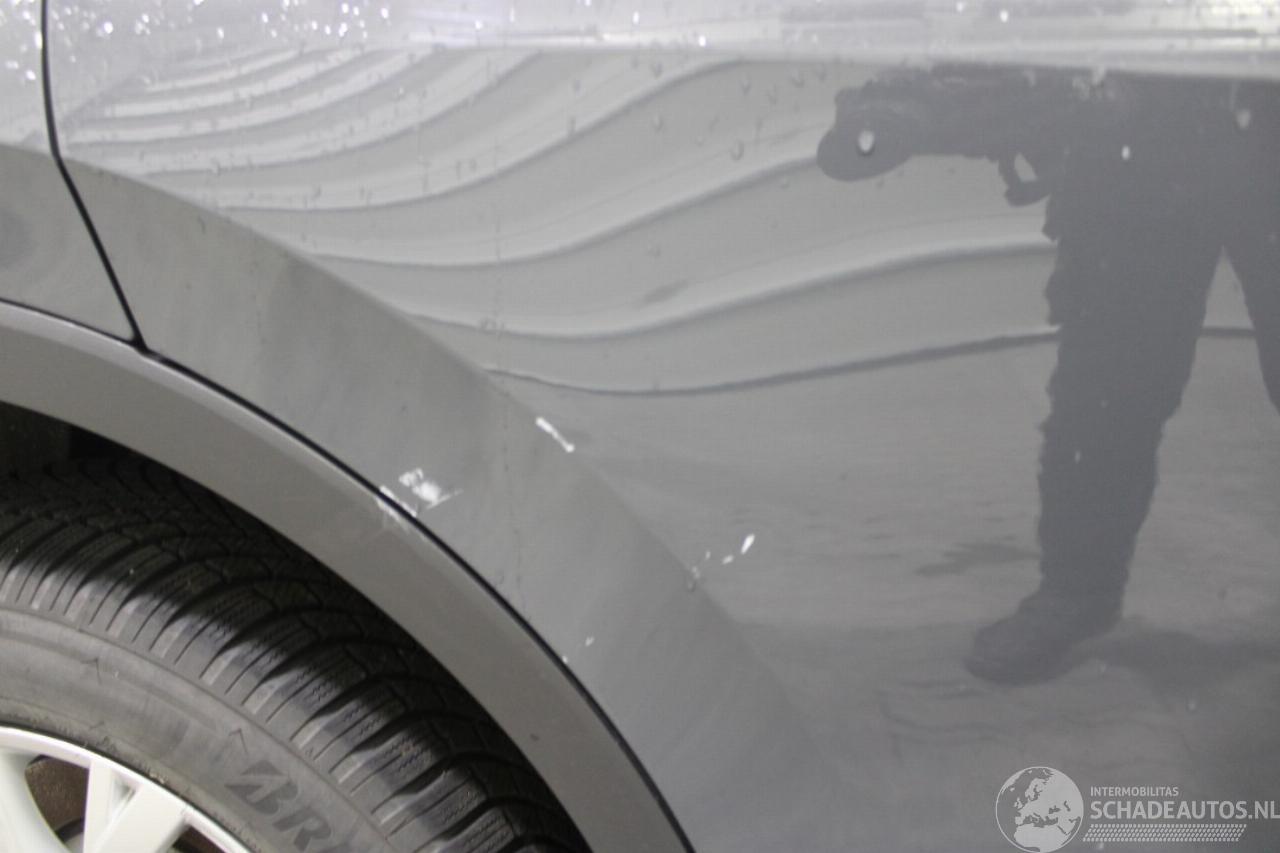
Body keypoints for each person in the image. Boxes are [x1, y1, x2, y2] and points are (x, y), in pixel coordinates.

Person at [819, 70, 1280, 683]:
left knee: (1108, 386)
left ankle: (1076, 593)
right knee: (1107, 389)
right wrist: (929, 101)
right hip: (1140, 139)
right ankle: (1076, 592)